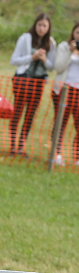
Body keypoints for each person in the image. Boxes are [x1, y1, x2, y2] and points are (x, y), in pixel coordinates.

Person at [9, 13, 56, 158]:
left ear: (48, 28)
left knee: (30, 114)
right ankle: (12, 145)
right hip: (23, 79)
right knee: (18, 112)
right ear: (35, 25)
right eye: (39, 25)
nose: (41, 28)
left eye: (44, 26)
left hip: (39, 81)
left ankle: (21, 146)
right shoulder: (25, 38)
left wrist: (43, 59)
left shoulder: (51, 43)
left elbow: (51, 66)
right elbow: (14, 60)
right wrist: (31, 57)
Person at [50, 23, 79, 166]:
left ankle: (77, 157)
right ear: (73, 33)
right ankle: (56, 153)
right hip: (64, 90)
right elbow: (58, 67)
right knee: (61, 122)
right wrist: (70, 52)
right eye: (78, 32)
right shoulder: (64, 47)